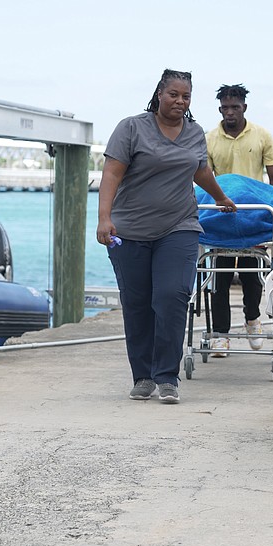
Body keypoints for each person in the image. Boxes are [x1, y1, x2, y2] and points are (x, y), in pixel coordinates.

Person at [97, 69, 236, 404]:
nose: (180, 101)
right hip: (130, 231)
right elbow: (112, 173)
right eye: (173, 94)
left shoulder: (194, 132)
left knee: (173, 296)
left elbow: (200, 169)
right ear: (159, 93)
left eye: (186, 96)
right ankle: (143, 376)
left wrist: (219, 197)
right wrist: (104, 217)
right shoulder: (131, 128)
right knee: (137, 303)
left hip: (180, 226)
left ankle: (167, 377)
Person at [205, 84, 273, 356]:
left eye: (235, 107)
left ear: (244, 108)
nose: (230, 112)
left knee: (253, 277)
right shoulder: (210, 139)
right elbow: (204, 177)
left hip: (254, 217)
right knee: (219, 276)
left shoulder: (261, 136)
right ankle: (220, 334)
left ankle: (252, 319)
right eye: (225, 108)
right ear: (219, 110)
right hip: (222, 217)